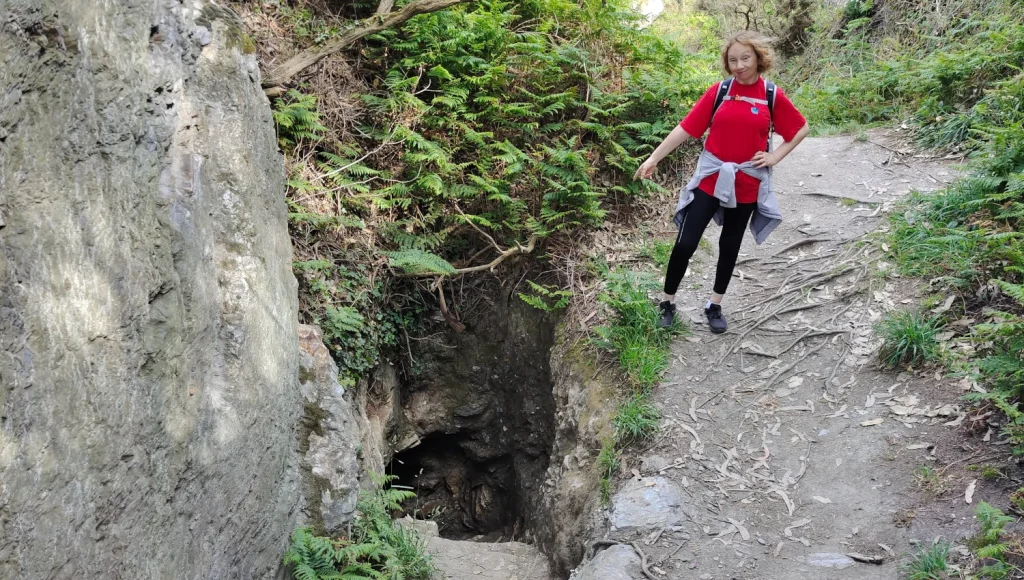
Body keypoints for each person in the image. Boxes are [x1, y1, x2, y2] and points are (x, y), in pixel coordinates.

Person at [633, 31, 810, 334]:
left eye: (745, 58)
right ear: (726, 64)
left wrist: (774, 156)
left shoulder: (770, 95)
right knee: (686, 242)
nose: (739, 65)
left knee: (729, 246)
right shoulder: (721, 92)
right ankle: (667, 302)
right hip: (711, 178)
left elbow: (800, 128)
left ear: (758, 58)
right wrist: (654, 157)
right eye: (733, 60)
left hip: (747, 182)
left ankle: (714, 305)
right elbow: (686, 128)